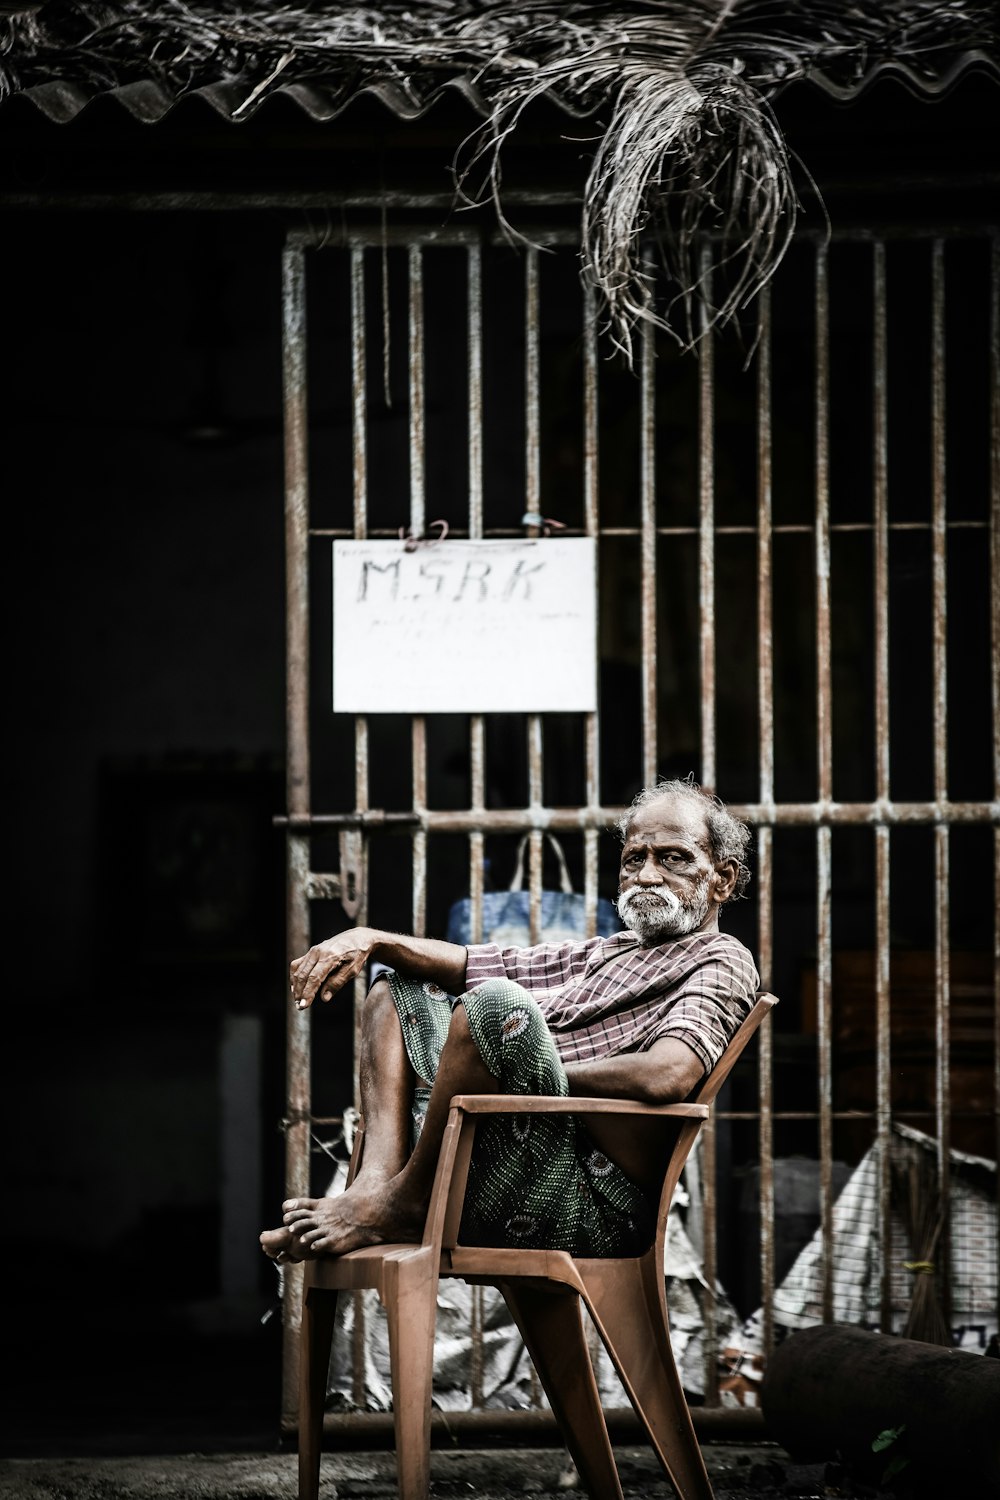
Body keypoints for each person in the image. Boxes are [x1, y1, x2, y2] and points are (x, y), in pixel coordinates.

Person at [260, 777, 759, 1265]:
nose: (648, 875)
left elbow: (669, 1073)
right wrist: (370, 938)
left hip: (589, 1194)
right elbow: (470, 964)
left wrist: (525, 1068)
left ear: (723, 879)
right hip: (498, 1139)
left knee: (500, 1009)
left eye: (673, 858)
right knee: (397, 988)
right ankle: (376, 1189)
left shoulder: (720, 957)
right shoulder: (609, 952)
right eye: (635, 859)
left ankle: (406, 1202)